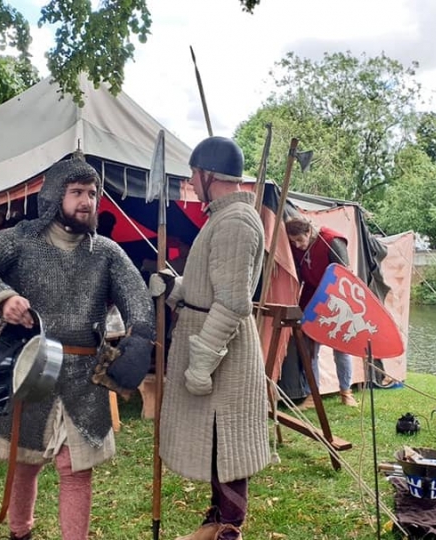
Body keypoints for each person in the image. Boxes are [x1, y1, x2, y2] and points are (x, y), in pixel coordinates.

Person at [0, 155, 155, 540]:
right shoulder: (23, 239)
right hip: (31, 366)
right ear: (54, 195)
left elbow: (138, 298)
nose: (86, 202)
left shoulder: (106, 253)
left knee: (75, 469)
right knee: (26, 460)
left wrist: (140, 336)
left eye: (92, 194)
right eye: (77, 192)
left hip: (82, 374)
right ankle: (20, 533)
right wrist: (3, 297)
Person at [152, 136, 269, 540]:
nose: (190, 181)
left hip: (225, 352)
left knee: (226, 441)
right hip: (213, 340)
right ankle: (217, 520)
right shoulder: (224, 217)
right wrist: (177, 286)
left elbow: (234, 303)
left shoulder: (235, 222)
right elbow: (212, 286)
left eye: (192, 174)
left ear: (207, 175)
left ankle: (228, 529)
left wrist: (202, 361)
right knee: (216, 441)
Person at [285, 215, 359, 408]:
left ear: (309, 232)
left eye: (300, 240)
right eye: (294, 242)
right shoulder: (295, 246)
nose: (298, 245)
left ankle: (346, 392)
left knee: (340, 348)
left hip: (335, 298)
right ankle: (311, 395)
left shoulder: (332, 241)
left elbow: (343, 274)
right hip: (311, 299)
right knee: (310, 351)